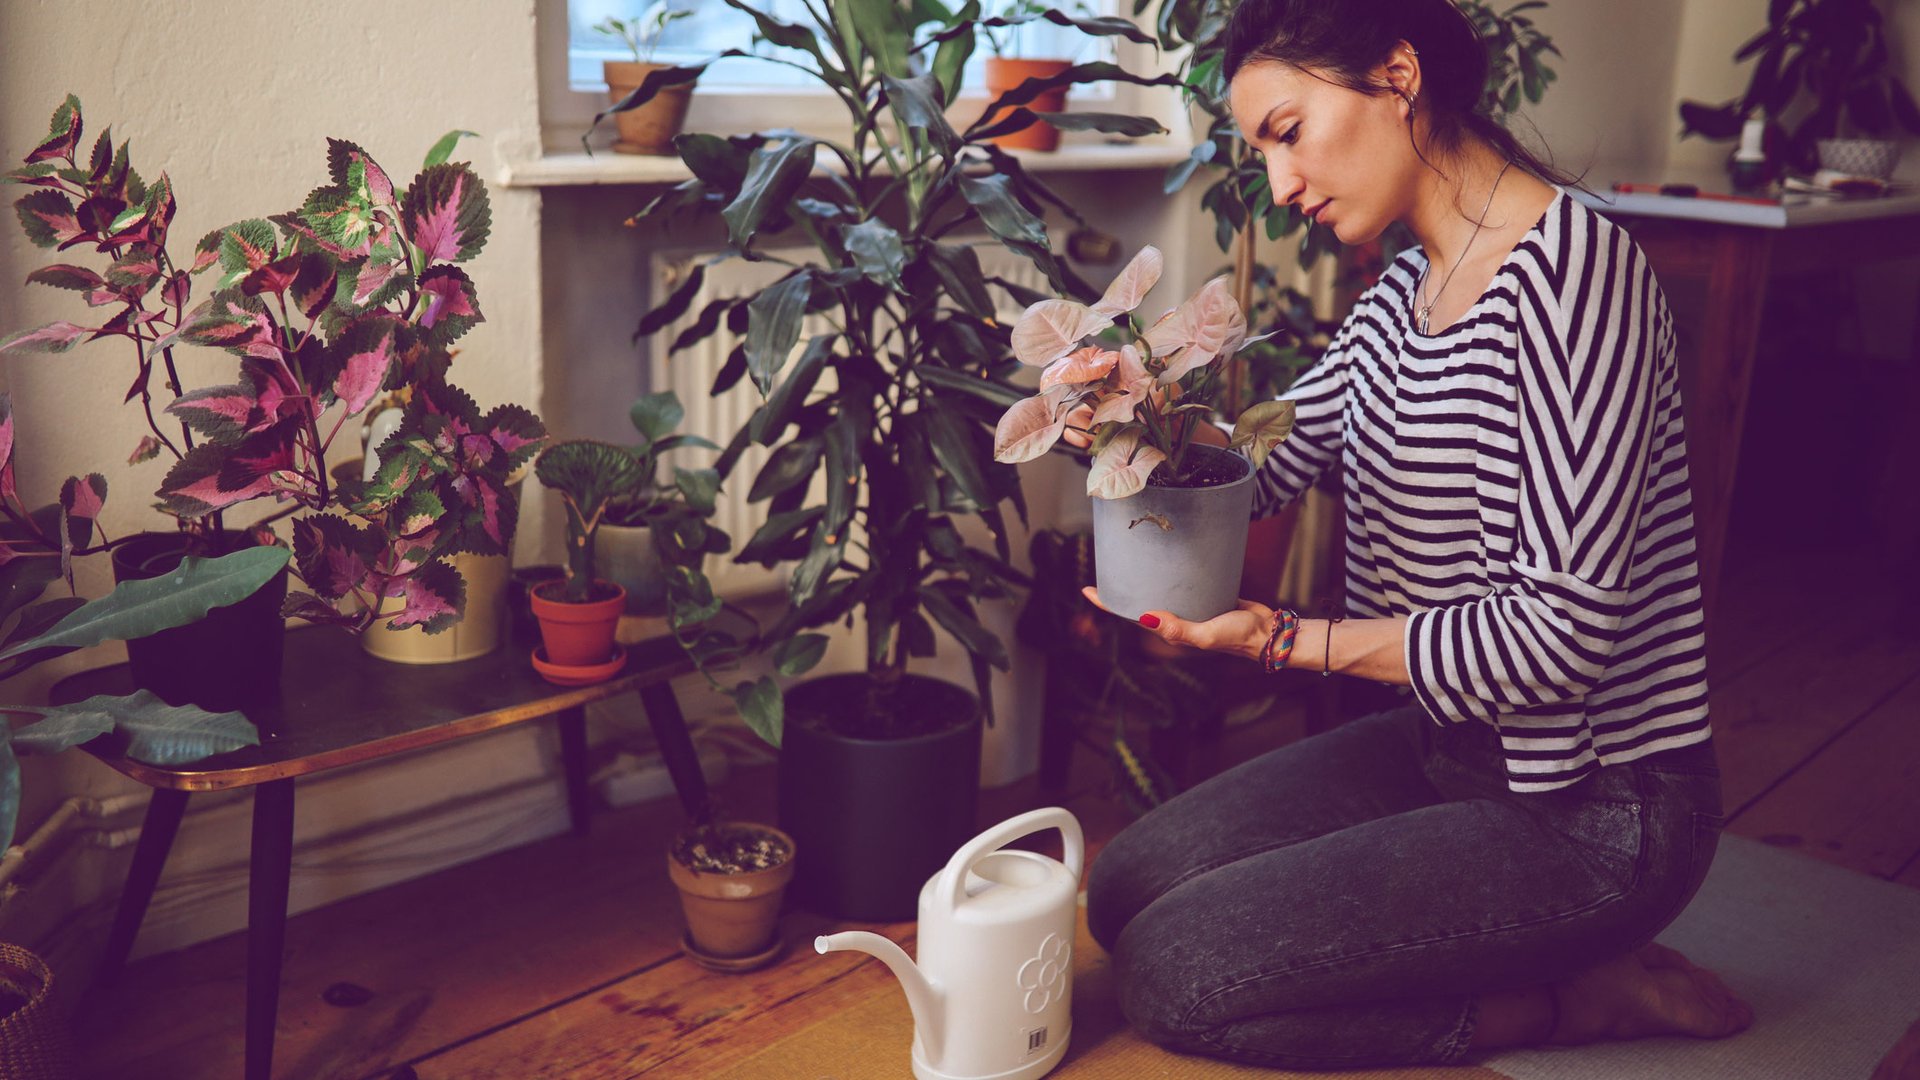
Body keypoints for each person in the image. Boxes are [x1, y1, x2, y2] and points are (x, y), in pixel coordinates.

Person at [1065, 0, 1755, 1068]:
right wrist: (1130, 416)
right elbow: (1260, 472)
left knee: (1174, 977)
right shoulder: (1400, 296)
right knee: (1124, 892)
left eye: (1287, 132)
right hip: (1444, 747)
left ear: (1397, 75)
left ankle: (1575, 998)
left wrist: (1283, 639)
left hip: (1595, 807)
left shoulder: (1578, 281)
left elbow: (1556, 637)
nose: (1281, 185)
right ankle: (1490, 947)